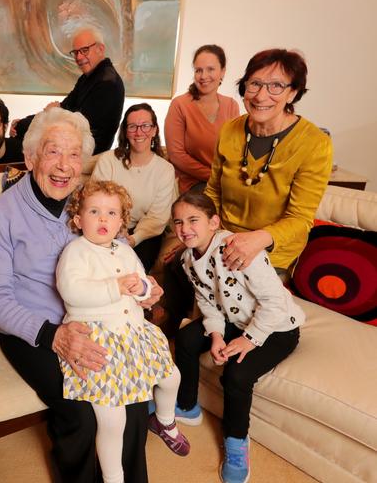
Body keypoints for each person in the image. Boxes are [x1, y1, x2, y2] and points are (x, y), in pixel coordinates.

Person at [0, 107, 162, 482]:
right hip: (36, 331)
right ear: (30, 158)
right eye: (53, 151)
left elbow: (120, 254)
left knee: (137, 399)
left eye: (74, 153)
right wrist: (54, 336)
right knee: (80, 410)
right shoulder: (1, 214)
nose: (64, 165)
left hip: (101, 321)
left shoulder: (91, 201)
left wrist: (143, 288)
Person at [164, 48, 333, 331]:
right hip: (222, 237)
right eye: (254, 83)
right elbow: (213, 193)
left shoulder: (315, 144)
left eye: (276, 85)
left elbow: (301, 218)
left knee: (240, 304)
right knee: (175, 265)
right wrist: (197, 233)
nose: (261, 95)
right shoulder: (230, 130)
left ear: (293, 93)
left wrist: (256, 241)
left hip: (268, 250)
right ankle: (175, 334)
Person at [57, 179, 188, 483]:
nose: (103, 219)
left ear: (121, 222)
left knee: (171, 377)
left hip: (133, 335)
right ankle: (113, 477)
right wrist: (114, 287)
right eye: (94, 211)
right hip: (98, 343)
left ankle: (165, 421)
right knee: (113, 419)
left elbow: (142, 285)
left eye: (112, 213)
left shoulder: (126, 251)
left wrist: (144, 289)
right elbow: (71, 291)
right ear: (78, 220)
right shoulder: (76, 252)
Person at [170, 191, 304, 483]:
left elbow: (275, 302)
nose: (185, 229)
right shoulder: (187, 259)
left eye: (194, 220)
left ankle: (236, 443)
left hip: (277, 327)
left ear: (214, 222)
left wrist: (250, 339)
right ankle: (187, 405)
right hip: (233, 319)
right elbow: (207, 301)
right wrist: (216, 335)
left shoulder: (237, 248)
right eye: (178, 222)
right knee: (186, 338)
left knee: (237, 375)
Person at [11, 27, 125, 156]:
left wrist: (53, 113)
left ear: (101, 49)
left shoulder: (107, 83)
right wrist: (25, 121)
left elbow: (78, 125)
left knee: (16, 147)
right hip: (69, 144)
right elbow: (64, 107)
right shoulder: (89, 77)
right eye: (76, 52)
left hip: (84, 153)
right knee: (16, 140)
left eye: (84, 50)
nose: (79, 57)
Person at [92, 103, 176, 272]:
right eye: (132, 126)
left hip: (145, 236)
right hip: (106, 226)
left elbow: (157, 217)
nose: (139, 132)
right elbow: (95, 200)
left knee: (133, 274)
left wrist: (133, 239)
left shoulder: (165, 170)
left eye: (145, 126)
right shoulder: (108, 161)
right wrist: (114, 230)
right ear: (125, 131)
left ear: (154, 130)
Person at [164, 44, 239, 194]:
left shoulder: (231, 105)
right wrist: (214, 177)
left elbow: (236, 152)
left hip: (225, 182)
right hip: (193, 184)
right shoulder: (180, 105)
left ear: (222, 72)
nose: (203, 76)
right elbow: (177, 156)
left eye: (210, 69)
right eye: (198, 70)